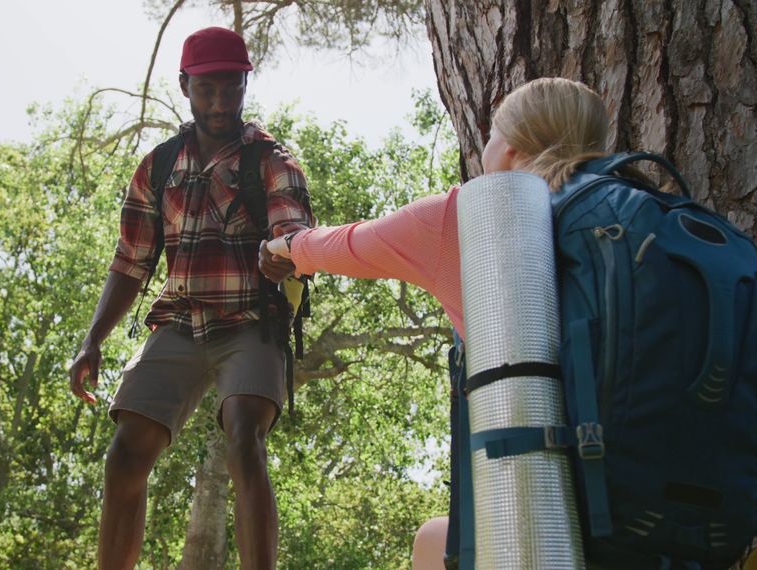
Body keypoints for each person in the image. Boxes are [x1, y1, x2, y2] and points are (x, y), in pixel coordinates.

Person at [261, 77, 611, 570]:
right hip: (647, 505)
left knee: (432, 543)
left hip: (538, 512)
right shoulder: (633, 223)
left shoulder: (461, 220)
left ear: (508, 149)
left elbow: (347, 244)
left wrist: (284, 249)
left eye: (489, 135)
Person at [69, 27, 313, 570]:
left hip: (251, 322)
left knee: (244, 439)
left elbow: (292, 234)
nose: (222, 102)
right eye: (208, 90)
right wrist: (92, 341)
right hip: (178, 322)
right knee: (125, 454)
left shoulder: (273, 161)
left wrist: (285, 253)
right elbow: (130, 262)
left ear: (246, 83)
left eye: (232, 87)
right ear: (185, 86)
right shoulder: (158, 167)